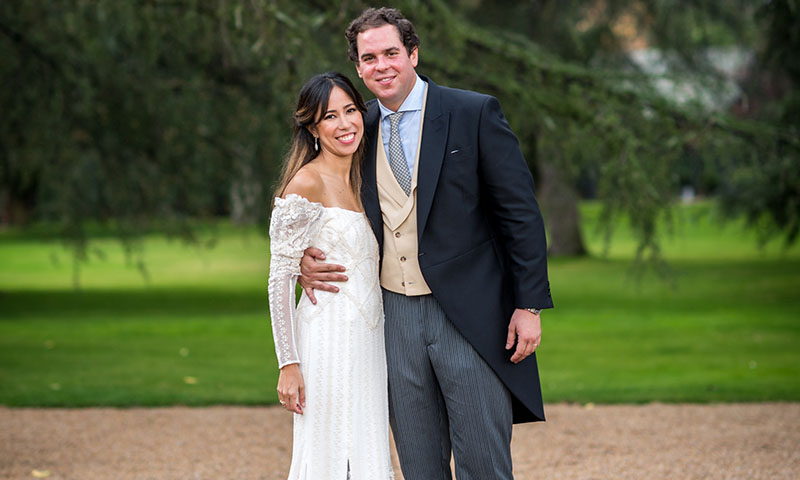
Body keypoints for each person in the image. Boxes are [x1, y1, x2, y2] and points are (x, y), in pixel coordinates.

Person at [298, 7, 554, 480]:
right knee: (419, 466)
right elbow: (324, 209)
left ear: (413, 53)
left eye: (392, 52)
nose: (382, 65)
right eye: (369, 57)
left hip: (472, 316)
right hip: (391, 316)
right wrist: (304, 262)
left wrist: (529, 305)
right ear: (358, 68)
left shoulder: (472, 112)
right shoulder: (356, 131)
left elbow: (520, 215)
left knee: (484, 464)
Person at [267, 71, 394, 479]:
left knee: (367, 444)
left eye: (351, 111)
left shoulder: (367, 177)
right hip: (325, 338)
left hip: (370, 338)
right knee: (329, 447)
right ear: (313, 128)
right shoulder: (306, 182)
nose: (345, 125)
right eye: (330, 117)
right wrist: (288, 363)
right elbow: (279, 279)